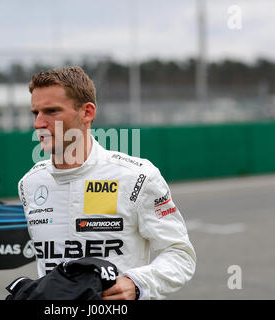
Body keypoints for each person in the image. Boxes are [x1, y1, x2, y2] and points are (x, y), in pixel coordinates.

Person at [17, 66, 196, 300]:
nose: (39, 124)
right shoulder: (30, 183)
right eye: (35, 113)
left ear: (87, 113)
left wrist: (136, 284)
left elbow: (180, 254)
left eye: (51, 111)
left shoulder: (137, 177)